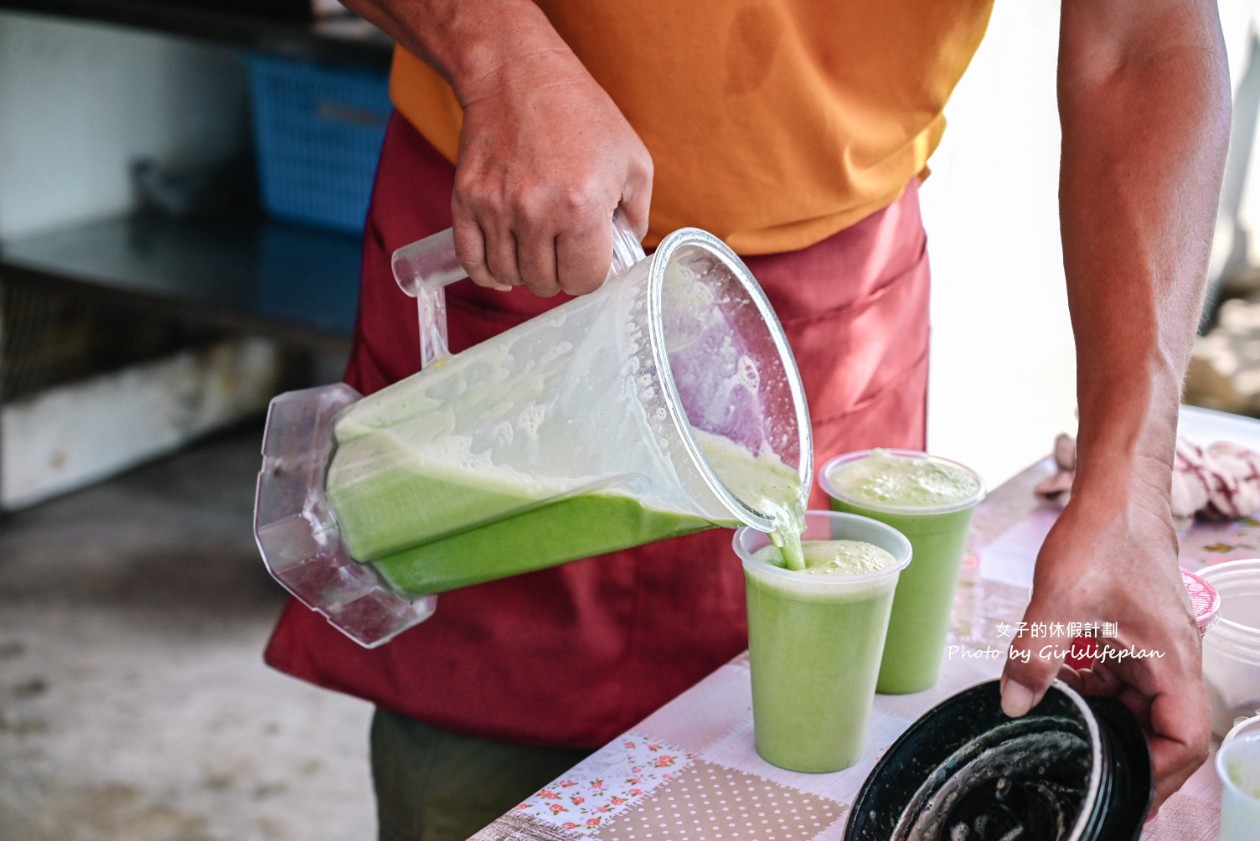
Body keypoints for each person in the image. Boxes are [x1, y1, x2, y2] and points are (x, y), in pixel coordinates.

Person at [263, 1, 1230, 837]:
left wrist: (1128, 484)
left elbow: (1143, 43)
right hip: (524, 252)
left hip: (826, 306)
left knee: (817, 774)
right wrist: (499, 55)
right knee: (472, 795)